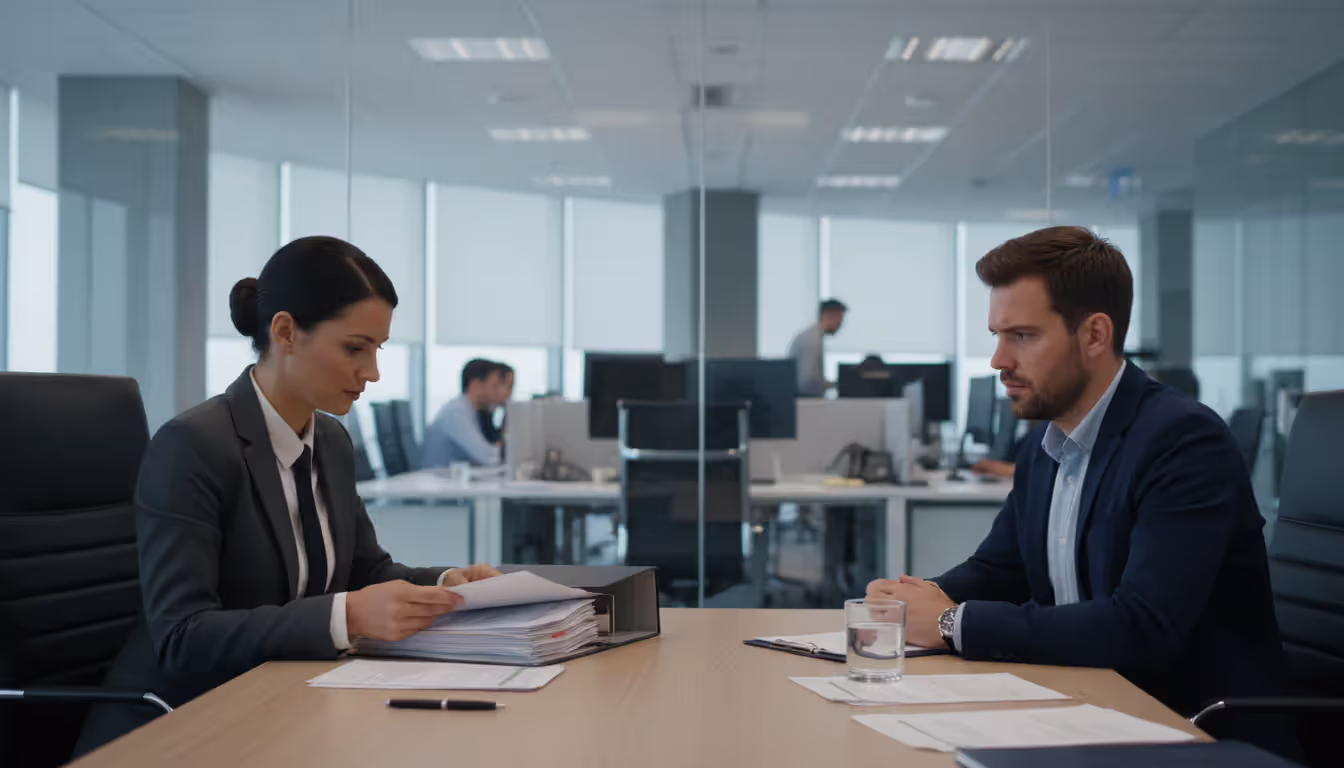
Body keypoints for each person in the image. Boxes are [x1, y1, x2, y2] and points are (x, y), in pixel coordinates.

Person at [76, 236, 501, 754]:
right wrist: (347, 618)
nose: (372, 372)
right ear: (285, 332)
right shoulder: (194, 446)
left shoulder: (332, 442)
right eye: (354, 348)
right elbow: (182, 636)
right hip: (177, 725)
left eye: (377, 350)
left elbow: (364, 573)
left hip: (281, 707)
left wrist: (447, 584)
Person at [866, 226, 1284, 736]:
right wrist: (914, 599)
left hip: (1189, 725)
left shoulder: (1182, 441)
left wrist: (954, 624)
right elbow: (999, 569)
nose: (999, 360)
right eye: (997, 336)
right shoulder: (1047, 443)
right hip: (1086, 707)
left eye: (1022, 336)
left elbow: (1142, 626)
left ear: (1094, 335)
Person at [421, 358, 503, 468]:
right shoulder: (456, 413)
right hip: (437, 480)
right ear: (476, 385)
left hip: (449, 479)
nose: (500, 392)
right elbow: (487, 457)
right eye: (495, 386)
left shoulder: (469, 411)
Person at [787, 298, 846, 397]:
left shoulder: (813, 336)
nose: (840, 325)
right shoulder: (812, 340)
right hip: (805, 401)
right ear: (828, 315)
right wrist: (836, 385)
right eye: (839, 320)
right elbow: (807, 381)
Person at [477, 362, 514, 445]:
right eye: (504, 385)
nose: (508, 392)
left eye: (511, 386)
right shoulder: (479, 414)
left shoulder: (489, 413)